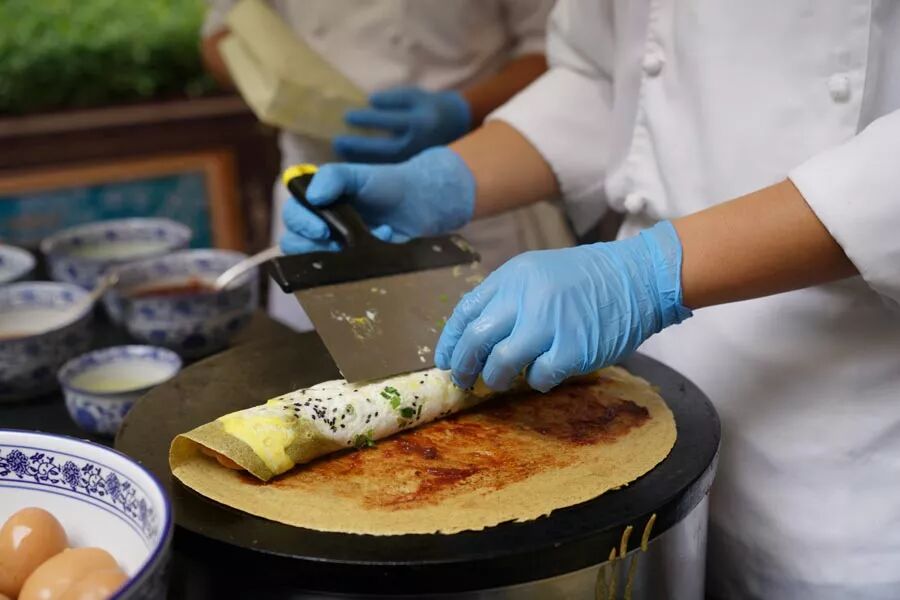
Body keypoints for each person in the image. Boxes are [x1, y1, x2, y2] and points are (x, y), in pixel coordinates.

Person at [280, 1, 900, 598]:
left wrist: (646, 273)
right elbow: (604, 81)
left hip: (835, 446)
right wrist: (440, 179)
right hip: (640, 404)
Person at [200, 0, 573, 331]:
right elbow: (221, 31)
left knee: (499, 362)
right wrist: (282, 88)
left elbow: (557, 53)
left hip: (483, 181)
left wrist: (461, 111)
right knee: (308, 369)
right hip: (313, 183)